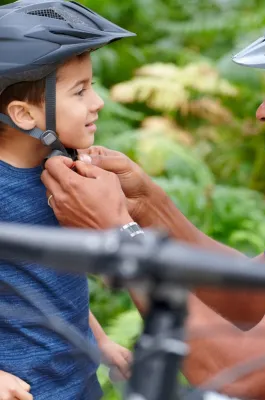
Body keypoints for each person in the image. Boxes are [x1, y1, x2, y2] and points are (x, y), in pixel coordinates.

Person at [41, 0, 265, 399]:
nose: (264, 111)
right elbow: (250, 299)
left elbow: (233, 372)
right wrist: (147, 207)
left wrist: (119, 236)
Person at [0, 0, 136, 398]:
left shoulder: (62, 178)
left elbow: (49, 288)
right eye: (80, 91)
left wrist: (101, 344)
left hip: (77, 384)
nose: (98, 103)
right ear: (24, 115)